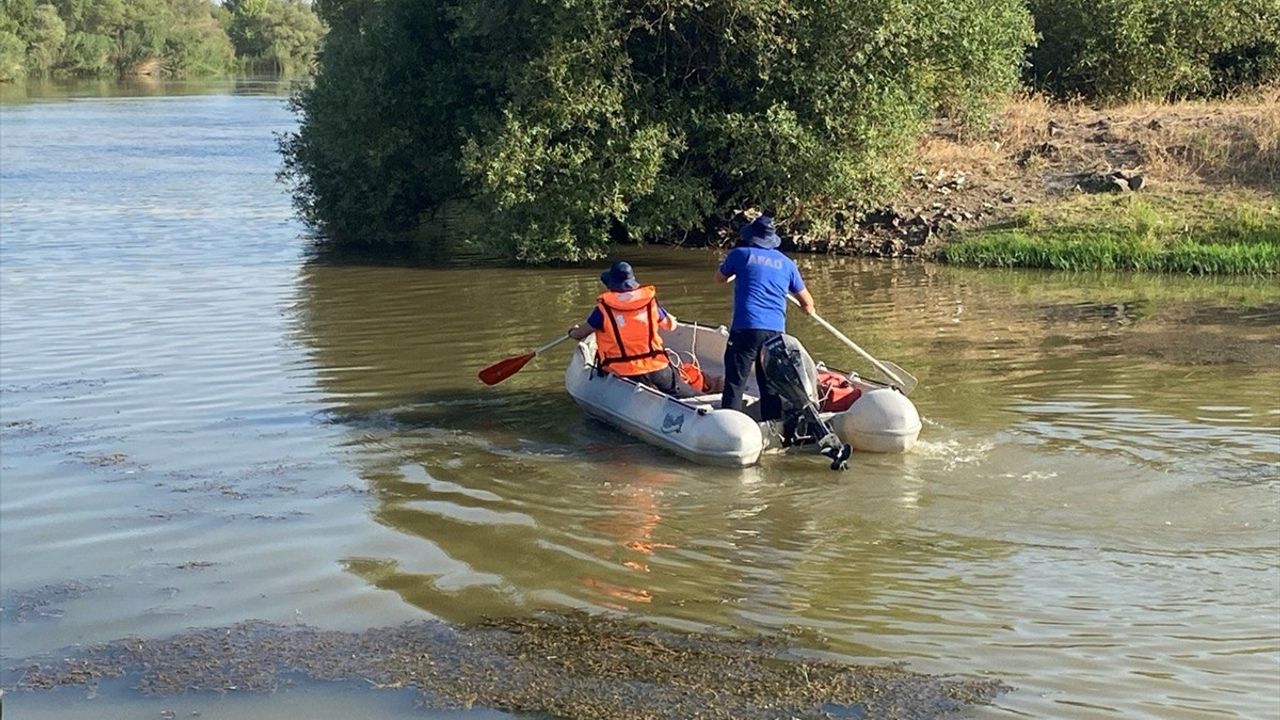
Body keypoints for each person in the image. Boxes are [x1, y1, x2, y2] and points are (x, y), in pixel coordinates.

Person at [714, 215, 815, 419]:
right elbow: (808, 303)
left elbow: (719, 278)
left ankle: (729, 423)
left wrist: (736, 274)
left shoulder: (740, 254)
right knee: (770, 384)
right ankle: (772, 424)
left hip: (746, 328)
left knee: (736, 381)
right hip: (776, 334)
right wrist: (807, 309)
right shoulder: (787, 264)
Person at [568, 261, 701, 398]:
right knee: (692, 395)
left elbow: (581, 334)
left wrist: (572, 332)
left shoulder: (603, 310)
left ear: (611, 284)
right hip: (657, 367)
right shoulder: (649, 303)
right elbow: (671, 326)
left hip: (623, 370)